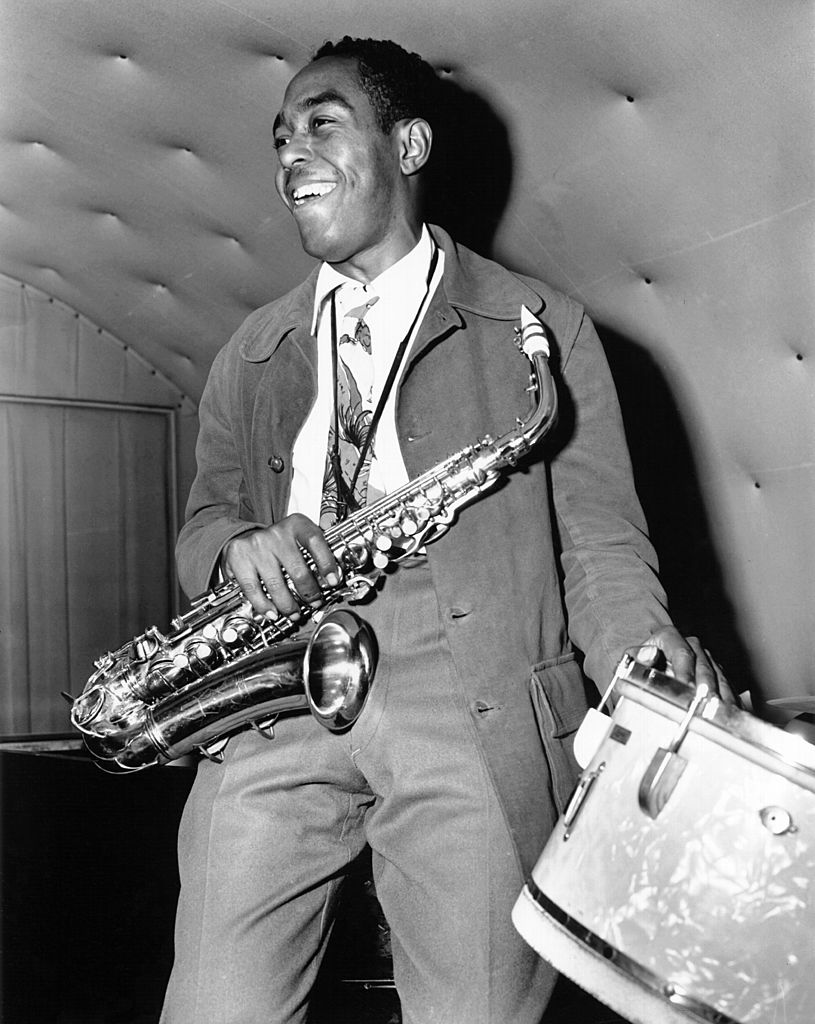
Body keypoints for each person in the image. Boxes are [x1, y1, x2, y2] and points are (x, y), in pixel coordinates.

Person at [161, 36, 726, 1024]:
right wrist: (229, 550)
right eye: (281, 136)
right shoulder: (252, 351)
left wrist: (644, 661)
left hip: (471, 701)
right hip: (275, 690)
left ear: (409, 145)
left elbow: (596, 545)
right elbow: (206, 518)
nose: (292, 152)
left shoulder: (538, 326)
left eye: (322, 125)